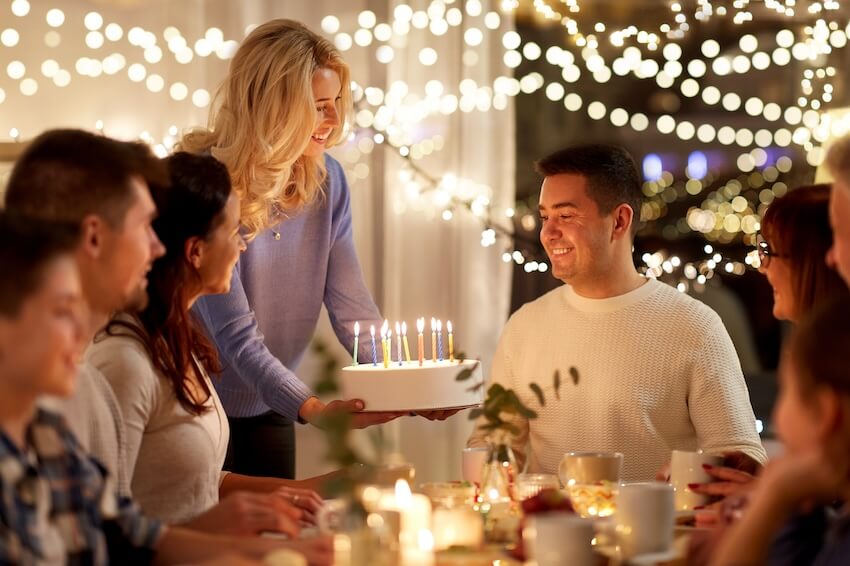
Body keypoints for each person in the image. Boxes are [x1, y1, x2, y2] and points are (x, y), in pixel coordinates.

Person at [4, 129, 332, 561]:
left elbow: (117, 529)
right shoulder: (111, 366)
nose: (158, 246)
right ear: (94, 237)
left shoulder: (72, 401)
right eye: (144, 226)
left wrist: (251, 537)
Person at [180, 19, 449, 480]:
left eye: (335, 104)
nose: (333, 122)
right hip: (193, 406)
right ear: (272, 108)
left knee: (280, 546)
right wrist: (313, 408)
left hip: (272, 406)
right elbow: (235, 338)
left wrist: (412, 383)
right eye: (318, 107)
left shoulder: (328, 182)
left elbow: (352, 309)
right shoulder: (205, 185)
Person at [467, 144, 766, 481]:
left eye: (566, 216)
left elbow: (739, 454)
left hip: (657, 530)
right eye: (545, 217)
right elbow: (492, 445)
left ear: (620, 221)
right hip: (548, 527)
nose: (548, 233)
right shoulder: (525, 326)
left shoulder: (694, 326)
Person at [88, 152, 325, 526]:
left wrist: (308, 489)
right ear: (195, 251)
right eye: (234, 233)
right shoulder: (124, 364)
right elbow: (103, 527)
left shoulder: (179, 341)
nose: (242, 247)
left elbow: (190, 480)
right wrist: (223, 523)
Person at [688, 184, 849, 505]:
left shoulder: (834, 360)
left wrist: (770, 498)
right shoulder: (810, 345)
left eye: (768, 251)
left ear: (814, 259)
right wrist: (764, 480)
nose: (762, 267)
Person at [709, 298, 850, 566]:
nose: (777, 415)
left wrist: (772, 494)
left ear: (824, 411)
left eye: (787, 391)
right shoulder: (825, 523)